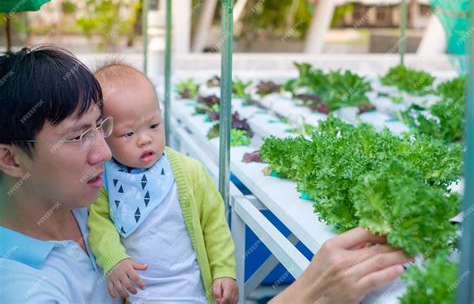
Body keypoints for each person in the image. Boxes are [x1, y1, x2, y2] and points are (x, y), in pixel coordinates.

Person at [0, 46, 410, 304]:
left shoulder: (85, 200)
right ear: (11, 159)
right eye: (77, 136)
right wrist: (309, 294)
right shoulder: (25, 289)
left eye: (100, 127)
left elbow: (210, 224)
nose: (105, 152)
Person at [87, 61, 238, 304]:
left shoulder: (190, 172)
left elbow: (215, 225)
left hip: (191, 290)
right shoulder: (104, 182)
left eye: (154, 126)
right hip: (139, 293)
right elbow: (99, 225)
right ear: (103, 134)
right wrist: (114, 258)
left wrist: (224, 271)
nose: (145, 139)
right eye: (128, 133)